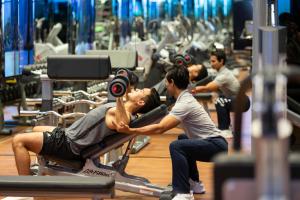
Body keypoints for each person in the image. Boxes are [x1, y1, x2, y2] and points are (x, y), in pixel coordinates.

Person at [116, 66, 228, 200]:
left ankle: (182, 192)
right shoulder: (183, 99)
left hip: (216, 146)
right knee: (182, 139)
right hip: (217, 143)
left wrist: (132, 130)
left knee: (176, 146)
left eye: (166, 82)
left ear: (172, 83)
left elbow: (161, 128)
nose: (165, 85)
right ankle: (194, 183)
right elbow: (165, 119)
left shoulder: (184, 103)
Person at [12, 88, 160, 175]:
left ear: (141, 102)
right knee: (36, 128)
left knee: (18, 140)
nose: (136, 89)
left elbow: (122, 124)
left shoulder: (124, 115)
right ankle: (42, 167)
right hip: (67, 134)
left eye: (141, 91)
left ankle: (26, 188)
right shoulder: (124, 111)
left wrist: (119, 98)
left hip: (69, 145)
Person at [192, 50, 250, 138]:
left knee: (220, 101)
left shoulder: (224, 75)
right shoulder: (221, 73)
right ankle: (227, 126)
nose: (211, 64)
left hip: (243, 101)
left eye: (213, 61)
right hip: (237, 99)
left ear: (221, 61)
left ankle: (225, 130)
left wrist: (191, 90)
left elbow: (208, 87)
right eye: (210, 61)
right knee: (221, 98)